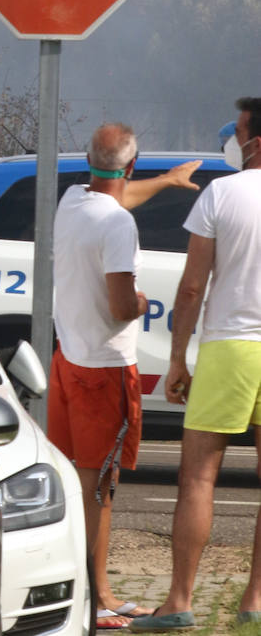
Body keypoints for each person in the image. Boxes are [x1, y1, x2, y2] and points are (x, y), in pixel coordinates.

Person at [133, 98, 261, 632]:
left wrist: (178, 356)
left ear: (254, 141)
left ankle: (179, 598)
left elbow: (191, 286)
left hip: (231, 346)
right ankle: (255, 600)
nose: (231, 139)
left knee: (199, 478)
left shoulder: (222, 193)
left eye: (236, 131)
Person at [48, 122, 155, 629]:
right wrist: (144, 301)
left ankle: (87, 591)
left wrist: (169, 182)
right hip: (105, 370)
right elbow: (120, 305)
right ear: (131, 166)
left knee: (78, 480)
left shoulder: (71, 201)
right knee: (100, 489)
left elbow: (115, 196)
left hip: (68, 360)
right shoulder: (118, 226)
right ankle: (96, 599)